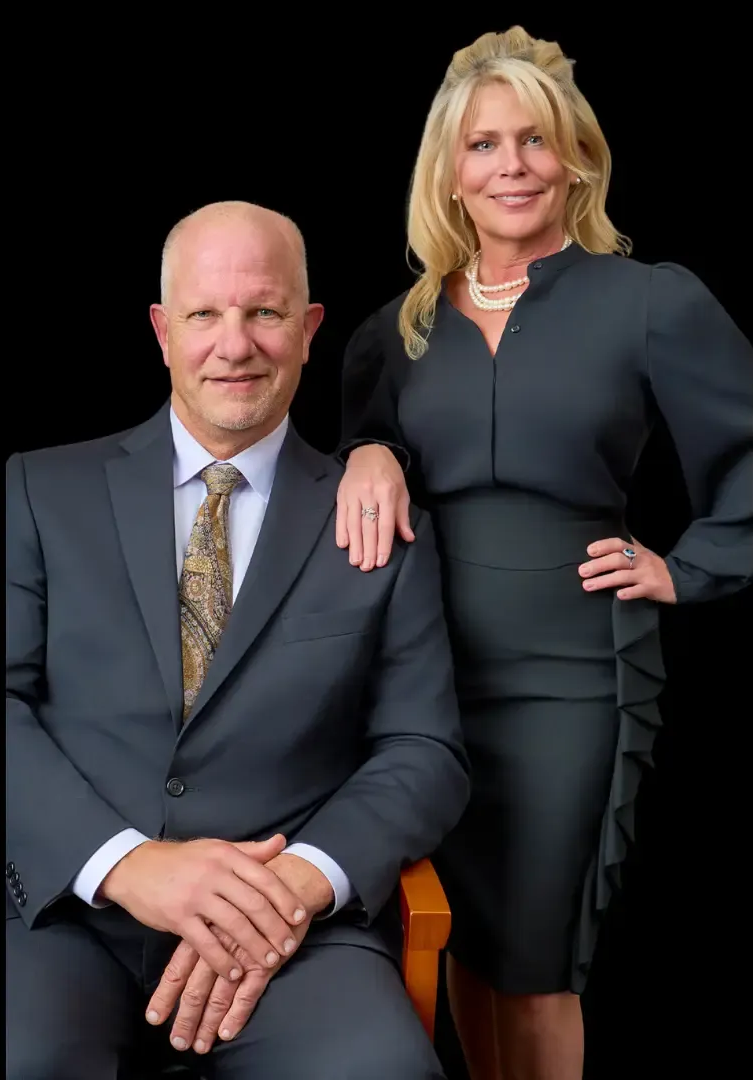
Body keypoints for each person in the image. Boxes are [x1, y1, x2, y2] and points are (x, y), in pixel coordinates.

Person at [335, 27, 753, 1080]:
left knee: (536, 958)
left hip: (570, 673)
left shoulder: (652, 300)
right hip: (418, 676)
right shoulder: (397, 330)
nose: (511, 165)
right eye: (483, 145)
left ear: (575, 159)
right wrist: (371, 452)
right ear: (451, 171)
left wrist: (684, 564)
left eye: (534, 140)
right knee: (460, 940)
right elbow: (345, 475)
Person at [5, 200, 471, 1080]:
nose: (235, 343)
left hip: (294, 936)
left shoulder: (376, 518)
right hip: (66, 913)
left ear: (307, 329)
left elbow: (423, 749)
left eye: (263, 312)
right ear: (161, 331)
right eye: (204, 315)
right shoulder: (37, 491)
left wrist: (295, 886)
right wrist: (129, 865)